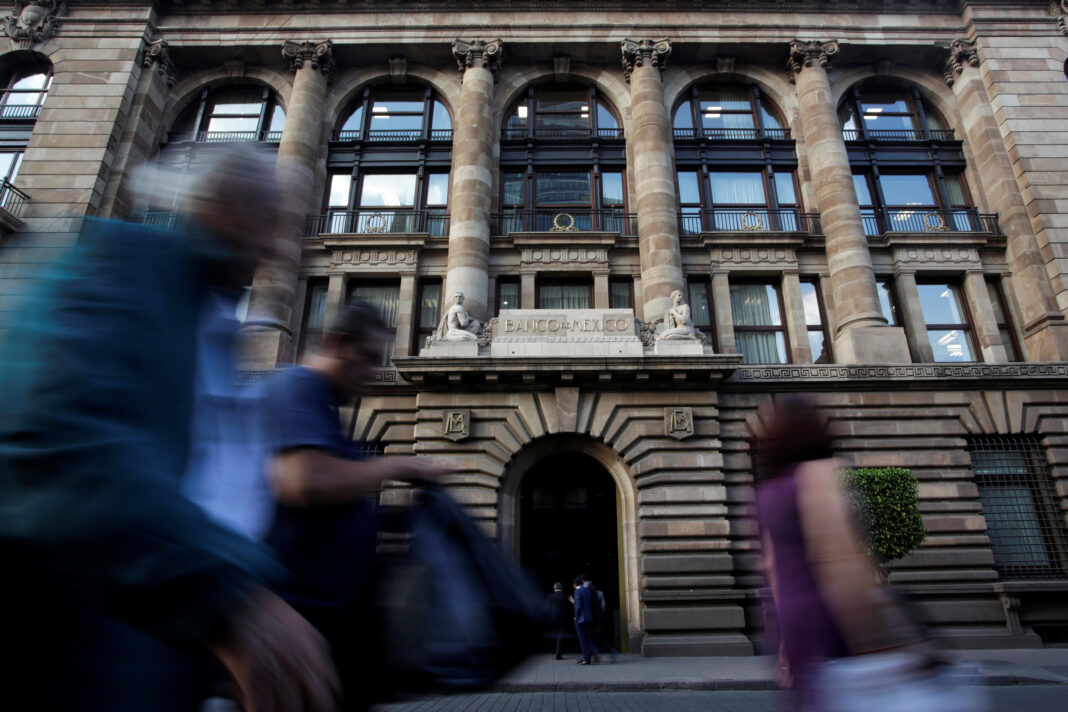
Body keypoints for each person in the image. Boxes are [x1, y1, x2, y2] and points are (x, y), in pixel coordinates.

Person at [0, 145, 338, 712]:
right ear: (222, 204)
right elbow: (59, 442)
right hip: (82, 651)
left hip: (166, 647)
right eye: (268, 221)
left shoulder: (209, 320)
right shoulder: (119, 259)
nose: (278, 247)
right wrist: (225, 598)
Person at [261, 301, 450, 710]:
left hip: (333, 635)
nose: (370, 373)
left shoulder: (326, 410)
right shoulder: (297, 387)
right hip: (300, 631)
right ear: (338, 343)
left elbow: (335, 505)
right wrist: (397, 464)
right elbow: (305, 481)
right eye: (367, 359)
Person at [753, 397, 921, 709]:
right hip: (827, 616)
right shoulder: (818, 475)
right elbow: (841, 563)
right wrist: (878, 639)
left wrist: (784, 652)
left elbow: (772, 571)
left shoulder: (766, 492)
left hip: (792, 621)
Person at [571, 576, 597, 665]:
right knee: (588, 638)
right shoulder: (587, 590)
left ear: (575, 585)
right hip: (589, 617)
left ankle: (586, 659)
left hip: (581, 619)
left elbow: (578, 605)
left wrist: (576, 616)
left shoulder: (577, 591)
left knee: (582, 639)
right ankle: (587, 657)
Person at [545, 582, 572, 660]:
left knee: (553, 635)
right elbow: (569, 609)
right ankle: (558, 653)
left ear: (554, 588)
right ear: (561, 588)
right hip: (563, 619)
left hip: (552, 619)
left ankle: (553, 650)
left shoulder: (549, 596)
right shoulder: (565, 596)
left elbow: (547, 608)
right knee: (560, 637)